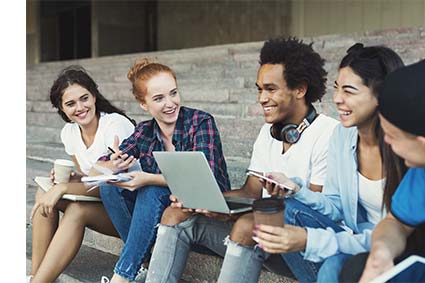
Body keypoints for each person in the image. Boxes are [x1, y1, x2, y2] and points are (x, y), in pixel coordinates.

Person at [145, 37, 340, 283]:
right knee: (174, 214)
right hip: (260, 233)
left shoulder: (328, 134)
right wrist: (205, 202)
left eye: (271, 89)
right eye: (259, 89)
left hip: (303, 245)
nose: (261, 98)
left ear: (300, 89)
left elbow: (313, 211)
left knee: (248, 223)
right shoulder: (267, 132)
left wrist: (239, 214)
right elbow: (250, 191)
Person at [248, 43, 408, 283]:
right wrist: (296, 189)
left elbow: (396, 234)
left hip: (397, 248)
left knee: (332, 267)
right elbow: (336, 206)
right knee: (287, 207)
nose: (337, 99)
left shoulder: (408, 148)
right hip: (357, 239)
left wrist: (309, 240)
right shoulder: (342, 137)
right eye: (336, 88)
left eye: (349, 91)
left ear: (381, 95)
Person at [96, 59, 231, 283]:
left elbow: (205, 177)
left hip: (205, 208)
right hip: (165, 210)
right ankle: (142, 261)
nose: (170, 103)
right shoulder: (144, 131)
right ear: (143, 104)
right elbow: (103, 163)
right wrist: (115, 159)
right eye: (159, 98)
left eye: (173, 93)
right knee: (110, 189)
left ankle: (123, 275)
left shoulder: (200, 122)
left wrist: (148, 178)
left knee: (150, 190)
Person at [28, 66, 136, 283]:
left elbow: (107, 181)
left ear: (94, 95)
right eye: (70, 103)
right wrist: (69, 180)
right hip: (102, 203)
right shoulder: (69, 132)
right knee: (44, 193)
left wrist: (64, 188)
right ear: (61, 108)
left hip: (129, 209)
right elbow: (88, 175)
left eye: (84, 98)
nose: (80, 107)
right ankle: (35, 276)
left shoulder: (115, 125)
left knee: (75, 210)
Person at [339, 60, 425, 283]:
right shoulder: (420, 171)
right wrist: (382, 252)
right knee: (356, 267)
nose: (385, 141)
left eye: (393, 136)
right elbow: (396, 222)